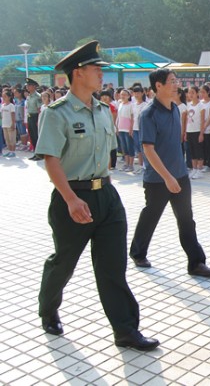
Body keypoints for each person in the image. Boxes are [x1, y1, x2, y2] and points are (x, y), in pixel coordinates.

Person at [35, 40, 158, 350]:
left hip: (106, 196)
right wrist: (71, 198)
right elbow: (51, 159)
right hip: (72, 199)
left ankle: (126, 330)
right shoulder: (56, 113)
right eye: (96, 69)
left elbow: (106, 154)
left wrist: (103, 183)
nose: (101, 74)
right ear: (78, 73)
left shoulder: (104, 110)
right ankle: (47, 309)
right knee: (64, 262)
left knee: (113, 267)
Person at [129, 69, 210, 277]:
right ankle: (137, 252)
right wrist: (167, 177)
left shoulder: (176, 109)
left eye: (176, 81)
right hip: (158, 178)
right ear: (158, 86)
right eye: (171, 81)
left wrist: (177, 174)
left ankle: (196, 263)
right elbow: (148, 149)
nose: (176, 85)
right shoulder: (148, 114)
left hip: (180, 175)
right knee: (151, 215)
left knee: (187, 219)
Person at [25, 77, 43, 160]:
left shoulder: (38, 96)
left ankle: (39, 154)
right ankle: (35, 153)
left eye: (29, 85)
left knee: (36, 135)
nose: (27, 87)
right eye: (27, 85)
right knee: (32, 136)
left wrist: (38, 120)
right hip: (30, 116)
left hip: (35, 116)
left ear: (34, 86)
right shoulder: (29, 96)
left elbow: (39, 109)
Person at [1, 90, 16, 157]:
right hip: (4, 124)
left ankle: (13, 151)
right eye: (3, 96)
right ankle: (9, 151)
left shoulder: (11, 105)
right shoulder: (2, 105)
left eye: (5, 96)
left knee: (11, 138)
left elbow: (13, 115)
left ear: (9, 97)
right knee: (7, 139)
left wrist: (13, 124)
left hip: (10, 124)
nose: (3, 98)